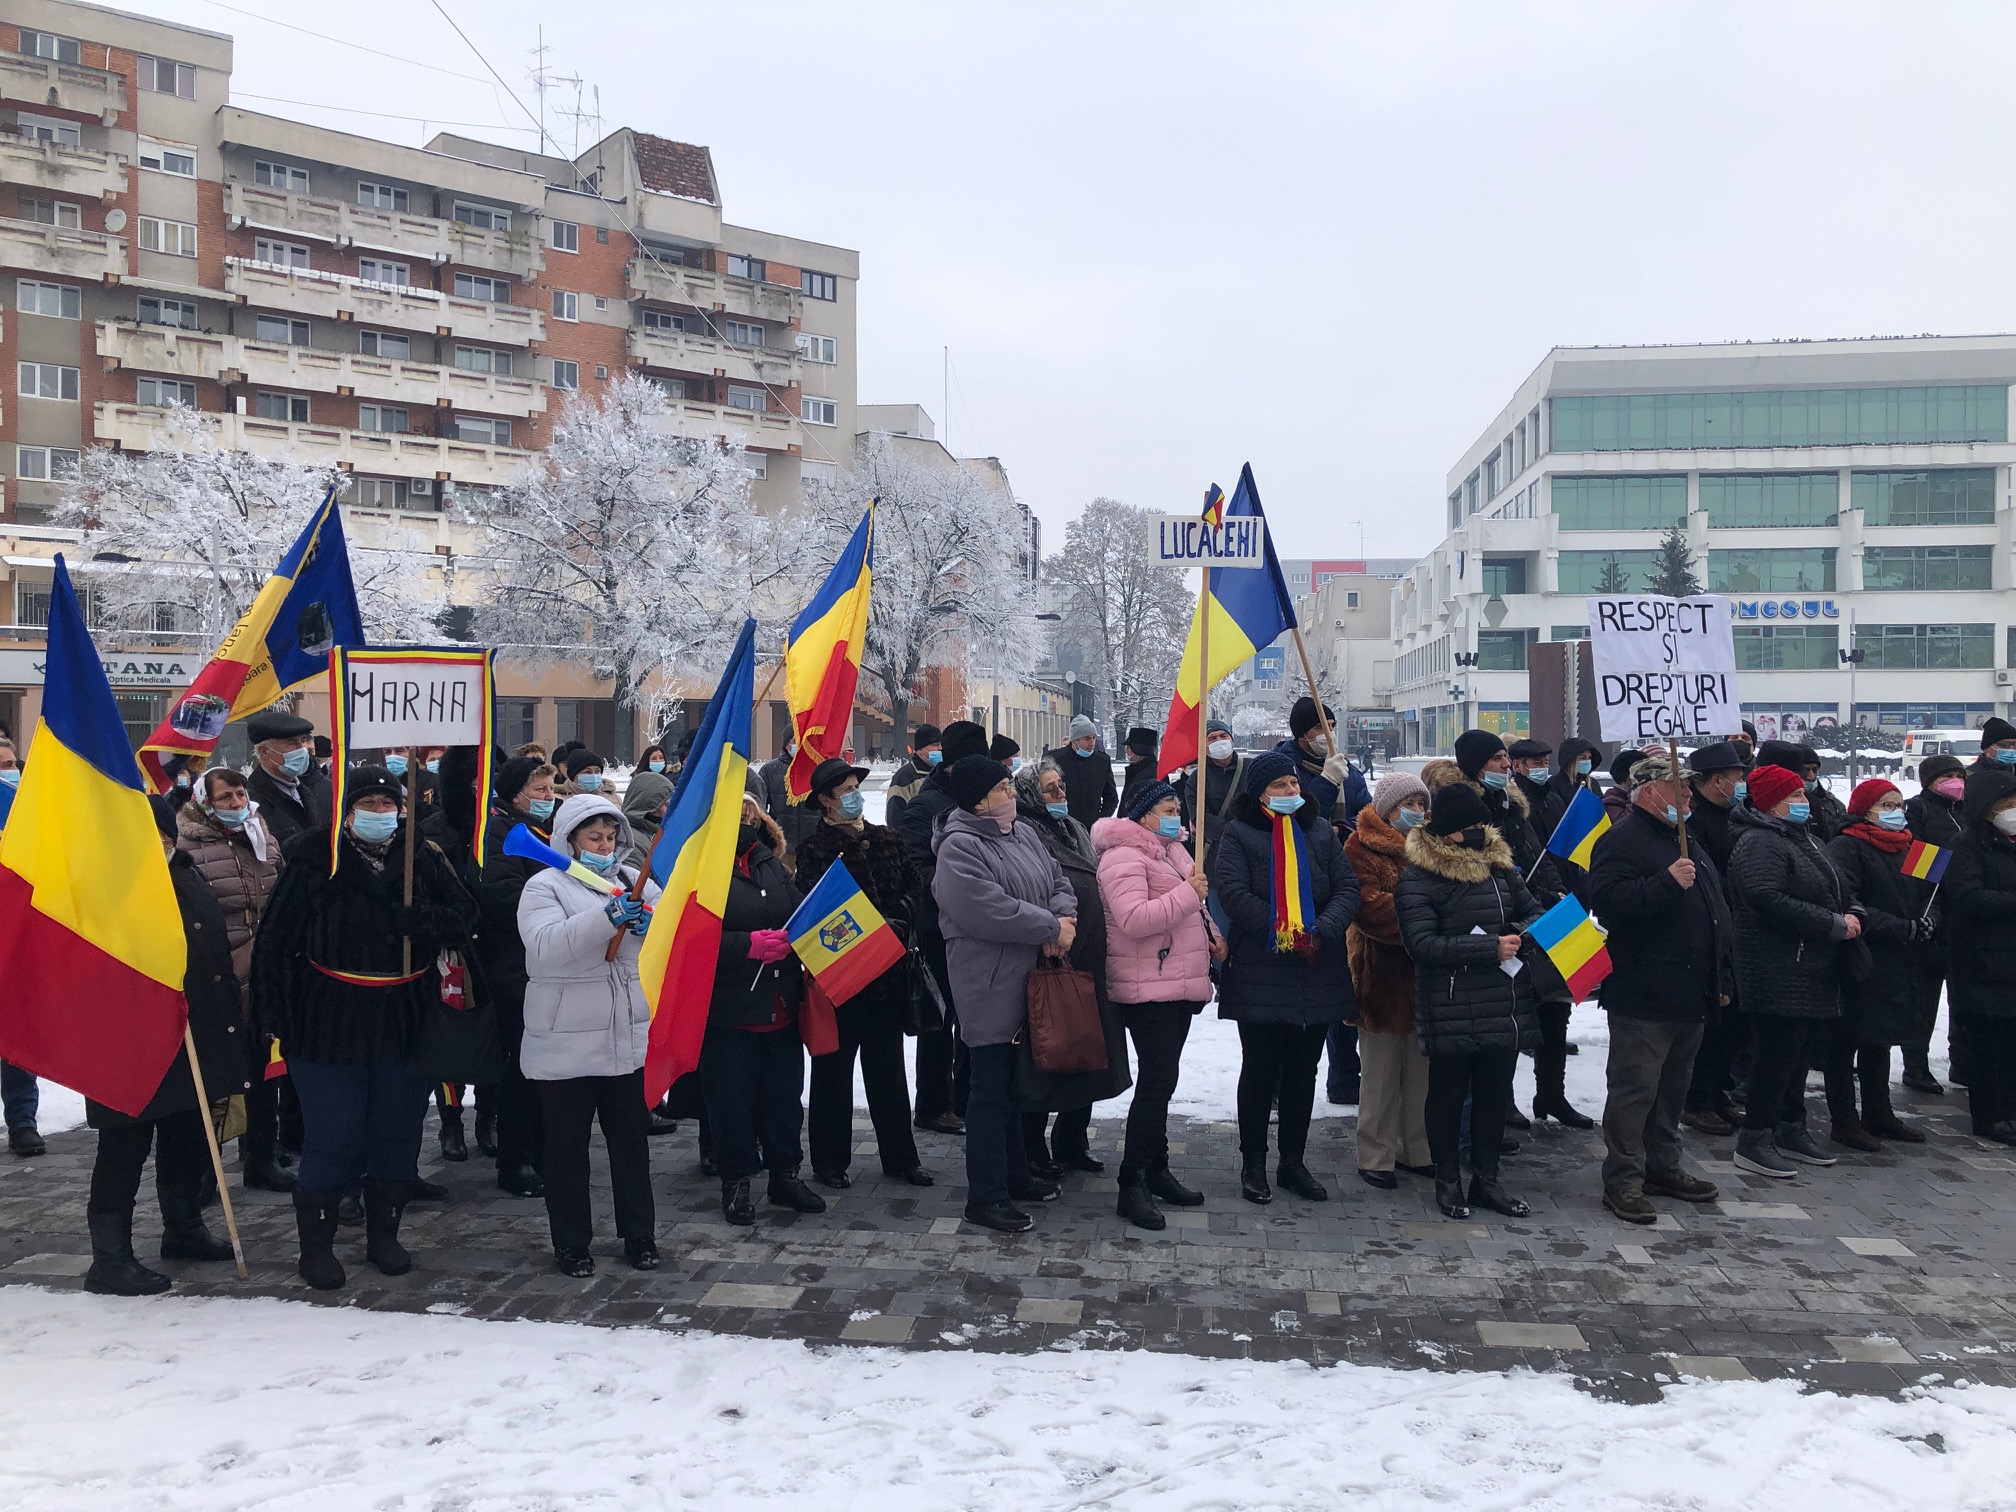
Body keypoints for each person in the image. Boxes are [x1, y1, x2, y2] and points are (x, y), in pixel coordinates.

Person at [251, 765, 478, 1289]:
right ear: (347, 810)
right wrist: (271, 1014)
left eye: (387, 804)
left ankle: (384, 1234)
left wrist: (419, 920)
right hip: (326, 1020)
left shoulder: (420, 854)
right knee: (334, 1134)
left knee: (396, 1131)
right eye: (367, 804)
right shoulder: (315, 855)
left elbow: (465, 917)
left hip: (404, 1017)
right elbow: (276, 942)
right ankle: (317, 1246)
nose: (380, 813)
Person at [84, 797, 254, 1296]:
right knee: (124, 1145)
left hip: (194, 1031)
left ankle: (183, 1228)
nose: (152, 846)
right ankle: (109, 1259)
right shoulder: (103, 886)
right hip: (129, 1041)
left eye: (159, 836)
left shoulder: (184, 870)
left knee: (188, 1133)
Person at [931, 755, 1078, 1233]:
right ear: (978, 800)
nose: (1012, 794)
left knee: (1015, 1088)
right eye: (1002, 788)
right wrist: (1049, 927)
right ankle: (986, 1195)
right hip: (989, 983)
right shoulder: (959, 847)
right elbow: (985, 909)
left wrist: (1063, 918)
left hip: (1032, 976)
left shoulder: (1023, 833)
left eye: (1010, 786)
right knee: (990, 1090)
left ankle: (1016, 1175)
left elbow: (1058, 880)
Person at [517, 792, 661, 1276]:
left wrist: (650, 924)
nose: (604, 845)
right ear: (569, 840)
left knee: (631, 1143)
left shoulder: (634, 880)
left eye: (611, 836)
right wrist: (606, 919)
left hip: (624, 1034)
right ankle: (571, 1242)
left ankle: (639, 1235)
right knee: (566, 1148)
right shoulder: (545, 886)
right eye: (593, 837)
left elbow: (668, 936)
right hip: (566, 1038)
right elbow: (544, 947)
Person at [1585, 755, 1732, 1224]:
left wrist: (1721, 978)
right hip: (1645, 992)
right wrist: (1665, 883)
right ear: (1649, 792)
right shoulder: (1621, 840)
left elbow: (1713, 911)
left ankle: (1662, 1167)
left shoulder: (1686, 838)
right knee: (1635, 1090)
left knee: (1673, 1090)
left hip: (1691, 991)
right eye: (1679, 786)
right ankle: (1623, 1179)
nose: (1689, 794)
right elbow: (1607, 901)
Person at [1210, 750, 1359, 1206]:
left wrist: (1321, 931)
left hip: (1317, 968)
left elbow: (1346, 887)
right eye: (1280, 786)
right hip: (1260, 968)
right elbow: (1233, 893)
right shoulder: (1239, 834)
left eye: (1293, 784)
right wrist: (1284, 930)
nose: (1291, 791)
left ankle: (1293, 1161)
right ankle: (1253, 1164)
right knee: (1259, 1070)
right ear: (1259, 794)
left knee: (1302, 1072)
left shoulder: (1319, 830)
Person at [1394, 781, 1545, 1220]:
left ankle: (1487, 1180)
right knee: (1447, 1096)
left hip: (1503, 1001)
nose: (1481, 831)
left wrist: (1520, 936)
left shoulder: (1500, 868)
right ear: (1448, 832)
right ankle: (1448, 1180)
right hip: (1451, 1004)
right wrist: (1487, 948)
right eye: (1471, 826)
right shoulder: (1419, 878)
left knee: (1494, 1096)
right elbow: (1421, 944)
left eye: (1483, 823)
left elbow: (1534, 910)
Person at [793, 757, 933, 1189]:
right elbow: (815, 909)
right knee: (833, 1074)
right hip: (842, 978)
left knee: (889, 1072)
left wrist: (901, 918)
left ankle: (901, 1157)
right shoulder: (814, 849)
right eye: (846, 791)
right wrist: (866, 929)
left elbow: (914, 886)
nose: (854, 797)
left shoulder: (886, 838)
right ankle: (829, 1162)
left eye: (856, 788)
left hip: (888, 974)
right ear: (826, 801)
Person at [1093, 779, 1221, 1230]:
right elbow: (1133, 919)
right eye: (1166, 809)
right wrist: (1189, 895)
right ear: (1142, 815)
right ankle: (1132, 1182)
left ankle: (1157, 1168)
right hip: (1146, 985)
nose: (1175, 816)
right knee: (1156, 1083)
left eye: (1176, 808)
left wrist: (1212, 935)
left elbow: (1193, 905)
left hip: (1177, 981)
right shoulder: (1123, 857)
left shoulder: (1171, 850)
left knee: (1163, 1082)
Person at [1447, 730, 1590, 1131]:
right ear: (1476, 765)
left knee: (1555, 1009)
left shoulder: (1512, 803)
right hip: (1501, 922)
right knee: (1510, 1016)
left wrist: (1555, 890)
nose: (1505, 765)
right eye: (1497, 758)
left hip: (1540, 913)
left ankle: (1552, 1093)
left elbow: (1536, 852)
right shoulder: (1465, 807)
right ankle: (1502, 1103)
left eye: (1504, 758)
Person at [1725, 763, 1860, 1179]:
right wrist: (1831, 924)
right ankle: (1755, 1137)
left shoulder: (1806, 839)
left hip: (1811, 968)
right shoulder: (1759, 841)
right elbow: (1765, 897)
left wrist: (1854, 911)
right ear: (1772, 804)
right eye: (1795, 796)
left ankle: (1790, 1126)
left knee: (1799, 1055)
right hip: (1776, 967)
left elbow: (1839, 886)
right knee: (1776, 1055)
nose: (1805, 802)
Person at [700, 778, 824, 1224]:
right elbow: (687, 938)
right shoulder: (700, 867)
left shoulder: (769, 860)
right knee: (732, 1103)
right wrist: (744, 945)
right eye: (736, 813)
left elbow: (798, 910)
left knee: (783, 1101)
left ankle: (784, 1176)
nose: (744, 820)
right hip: (730, 1010)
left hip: (780, 1005)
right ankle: (736, 1183)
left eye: (750, 812)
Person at [430, 750, 547, 1197]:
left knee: (536, 1066)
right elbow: (502, 896)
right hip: (509, 963)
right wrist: (558, 912)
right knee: (519, 1065)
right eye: (539, 790)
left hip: (540, 964)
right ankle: (514, 1158)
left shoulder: (536, 827)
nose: (547, 797)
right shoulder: (498, 831)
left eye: (550, 789)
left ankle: (532, 1148)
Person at [1012, 758, 1130, 1178]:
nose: (1059, 793)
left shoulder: (1075, 827)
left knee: (1087, 1053)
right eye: (1050, 788)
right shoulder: (1025, 832)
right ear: (1030, 793)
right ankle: (1032, 1147)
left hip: (1092, 957)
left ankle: (1072, 1139)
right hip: (1052, 960)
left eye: (1061, 785)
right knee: (1049, 1056)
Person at [176, 766, 291, 1192]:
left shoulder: (263, 837)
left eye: (240, 794)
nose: (236, 803)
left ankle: (261, 1155)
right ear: (205, 802)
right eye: (225, 797)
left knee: (262, 1064)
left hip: (264, 970)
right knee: (217, 1072)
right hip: (216, 973)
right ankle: (206, 1168)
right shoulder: (188, 846)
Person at [1823, 780, 1936, 1152]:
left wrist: (1928, 920)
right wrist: (1900, 927)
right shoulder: (1847, 846)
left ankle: (1879, 1112)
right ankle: (1844, 1120)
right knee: (1847, 1041)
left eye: (1899, 805)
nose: (1896, 812)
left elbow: (1932, 893)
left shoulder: (1911, 845)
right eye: (1886, 805)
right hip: (1861, 956)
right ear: (1864, 809)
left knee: (1880, 1038)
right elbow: (1847, 900)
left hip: (1901, 959)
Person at [897, 720, 992, 1133]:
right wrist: (959, 892)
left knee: (974, 1019)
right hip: (938, 928)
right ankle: (933, 1105)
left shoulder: (982, 800)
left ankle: (965, 1098)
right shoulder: (927, 805)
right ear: (953, 764)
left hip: (980, 928)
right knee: (940, 1019)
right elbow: (914, 866)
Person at [1344, 773, 1434, 1191]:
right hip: (1379, 973)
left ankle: (1416, 1149)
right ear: (1387, 809)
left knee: (1420, 1073)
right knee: (1380, 1074)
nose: (1416, 811)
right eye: (1407, 804)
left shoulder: (1431, 846)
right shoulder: (1359, 847)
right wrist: (1424, 923)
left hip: (1424, 975)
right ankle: (1375, 1154)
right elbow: (1368, 907)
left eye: (1421, 803)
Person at [1938, 767, 2016, 1144]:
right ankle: (1990, 1117)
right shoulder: (1965, 846)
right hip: (1981, 962)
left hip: (2009, 960)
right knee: (1989, 1046)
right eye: (2007, 803)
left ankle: (2010, 1111)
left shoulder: (2009, 842)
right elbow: (1967, 897)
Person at [1679, 741, 1751, 1137]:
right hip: (1713, 932)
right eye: (1736, 777)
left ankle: (1718, 1089)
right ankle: (1697, 1098)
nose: (1741, 784)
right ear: (1714, 781)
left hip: (1740, 931)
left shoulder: (1737, 815)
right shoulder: (1692, 824)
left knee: (1735, 1021)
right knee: (1712, 1022)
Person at [1901, 752, 1968, 1093]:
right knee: (1924, 999)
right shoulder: (1918, 809)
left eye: (1959, 775)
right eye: (1946, 776)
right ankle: (1915, 1065)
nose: (1955, 782)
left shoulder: (1966, 811)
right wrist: (1955, 867)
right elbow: (1913, 859)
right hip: (1930, 910)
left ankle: (1962, 1062)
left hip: (1963, 915)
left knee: (1963, 996)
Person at [1273, 695, 1371, 824]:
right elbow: (1297, 819)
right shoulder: (1281, 770)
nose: (1330, 733)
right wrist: (1327, 781)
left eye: (1332, 726)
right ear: (1302, 735)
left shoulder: (1348, 770)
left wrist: (1341, 830)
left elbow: (1369, 817)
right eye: (1320, 727)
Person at [243, 709, 329, 847]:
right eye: (291, 743)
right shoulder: (250, 800)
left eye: (303, 740)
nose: (302, 749)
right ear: (264, 751)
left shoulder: (305, 790)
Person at [1173, 717, 1247, 857]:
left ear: (1232, 741)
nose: (1219, 740)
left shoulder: (1251, 768)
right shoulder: (1197, 779)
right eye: (1212, 738)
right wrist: (1235, 833)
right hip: (1218, 852)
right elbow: (1201, 818)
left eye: (1223, 736)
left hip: (1253, 848)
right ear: (1203, 746)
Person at [1046, 714, 1117, 831]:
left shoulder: (1102, 761)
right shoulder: (1055, 760)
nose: (1092, 743)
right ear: (1075, 740)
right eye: (1087, 739)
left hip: (1092, 829)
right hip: (1063, 828)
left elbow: (1111, 797)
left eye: (1094, 738)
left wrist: (1100, 820)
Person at [883, 723, 942, 829]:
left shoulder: (942, 773)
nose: (940, 748)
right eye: (935, 745)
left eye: (941, 744)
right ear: (920, 749)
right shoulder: (905, 777)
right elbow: (895, 817)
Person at [1507, 738, 1563, 846]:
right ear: (1517, 766)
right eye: (1537, 763)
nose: (1544, 768)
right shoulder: (1513, 802)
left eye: (1546, 763)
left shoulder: (1554, 800)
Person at [621, 768, 675, 873]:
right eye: (667, 805)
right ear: (649, 806)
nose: (671, 810)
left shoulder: (656, 831)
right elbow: (632, 879)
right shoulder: (629, 840)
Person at [379, 747, 439, 817]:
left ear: (413, 754)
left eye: (399, 751)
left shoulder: (432, 780)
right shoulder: (378, 782)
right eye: (387, 752)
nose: (393, 756)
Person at [1117, 726, 1160, 817]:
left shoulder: (1149, 775)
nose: (1126, 751)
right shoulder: (1138, 771)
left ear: (1139, 748)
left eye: (1129, 747)